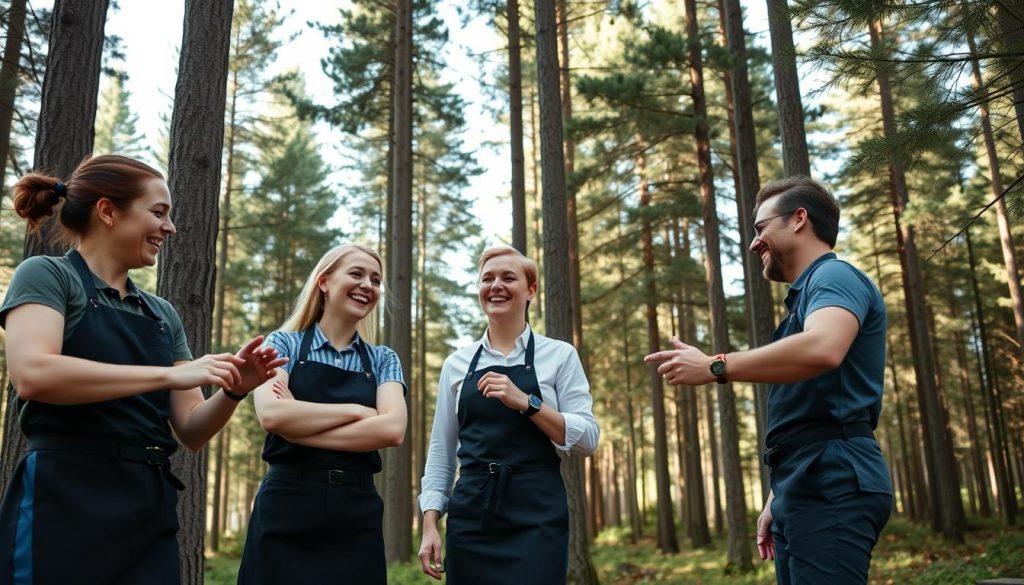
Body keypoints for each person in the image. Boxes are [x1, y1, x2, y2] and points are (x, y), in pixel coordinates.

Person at [0, 154, 286, 585]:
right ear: (108, 211)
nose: (169, 228)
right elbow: (35, 374)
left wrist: (233, 391)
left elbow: (190, 429)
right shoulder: (46, 276)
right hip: (64, 497)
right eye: (158, 213)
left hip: (148, 507)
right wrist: (169, 375)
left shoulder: (161, 313)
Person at [645, 176, 892, 584]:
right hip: (803, 480)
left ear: (799, 219)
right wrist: (778, 497)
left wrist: (715, 366)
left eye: (761, 228)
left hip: (834, 478)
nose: (753, 243)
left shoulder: (834, 277)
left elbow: (824, 348)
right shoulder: (803, 304)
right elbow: (807, 413)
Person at [417, 245, 599, 584]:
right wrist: (430, 523)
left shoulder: (560, 355)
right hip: (471, 517)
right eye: (487, 278)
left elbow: (588, 438)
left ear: (531, 291)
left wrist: (527, 403)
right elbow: (441, 453)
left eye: (508, 278)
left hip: (537, 515)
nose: (496, 285)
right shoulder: (457, 364)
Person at [237, 243, 407, 585]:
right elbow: (272, 415)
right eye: (356, 274)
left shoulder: (384, 359)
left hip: (356, 514)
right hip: (286, 506)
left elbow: (392, 430)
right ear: (325, 282)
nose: (367, 285)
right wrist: (359, 411)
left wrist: (298, 427)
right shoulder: (281, 343)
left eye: (375, 280)